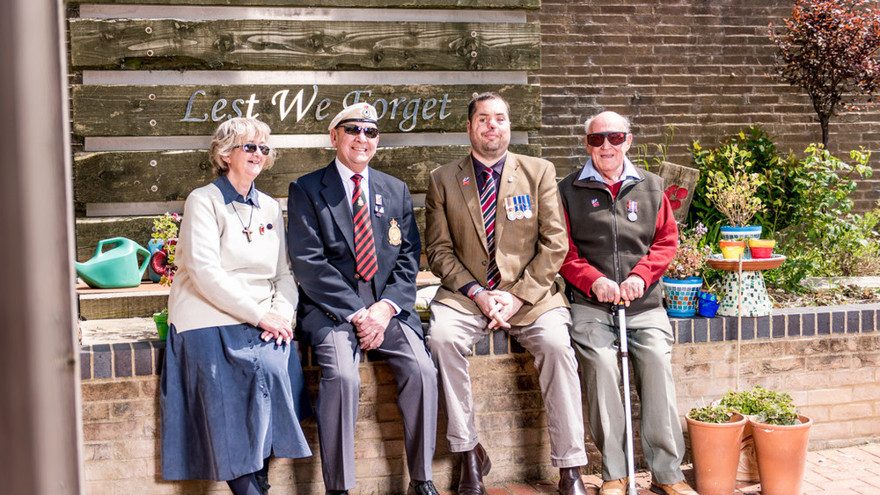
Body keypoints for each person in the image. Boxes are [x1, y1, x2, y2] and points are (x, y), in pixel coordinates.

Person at [425, 92, 588, 495]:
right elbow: (438, 251)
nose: (491, 126)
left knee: (555, 345)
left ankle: (570, 468)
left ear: (508, 125)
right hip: (466, 296)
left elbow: (555, 244)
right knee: (441, 340)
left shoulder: (538, 172)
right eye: (483, 119)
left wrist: (516, 297)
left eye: (499, 118)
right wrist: (479, 294)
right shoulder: (443, 179)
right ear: (469, 127)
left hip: (531, 296)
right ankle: (469, 457)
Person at [287, 102, 439, 495]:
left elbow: (408, 257)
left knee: (423, 372)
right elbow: (308, 263)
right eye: (353, 129)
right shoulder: (306, 189)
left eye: (370, 132)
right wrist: (358, 314)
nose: (362, 138)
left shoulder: (395, 189)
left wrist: (385, 309)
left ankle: (421, 479)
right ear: (334, 137)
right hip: (333, 311)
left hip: (387, 310)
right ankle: (339, 488)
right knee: (342, 377)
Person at [160, 117, 312, 495]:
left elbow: (284, 275)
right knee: (228, 388)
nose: (259, 154)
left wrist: (282, 316)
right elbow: (205, 274)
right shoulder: (204, 200)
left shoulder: (270, 207)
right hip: (206, 315)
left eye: (264, 148)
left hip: (260, 316)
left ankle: (258, 475)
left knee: (276, 368)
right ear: (226, 154)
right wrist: (260, 314)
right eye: (250, 146)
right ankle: (250, 488)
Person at [557, 111, 697, 495]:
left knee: (656, 364)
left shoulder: (652, 187)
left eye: (615, 138)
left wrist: (640, 276)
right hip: (592, 305)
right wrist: (595, 281)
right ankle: (615, 474)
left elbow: (667, 241)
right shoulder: (567, 190)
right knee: (601, 367)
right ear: (587, 144)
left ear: (628, 141)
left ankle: (668, 474)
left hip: (644, 304)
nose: (606, 146)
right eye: (598, 139)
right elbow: (562, 250)